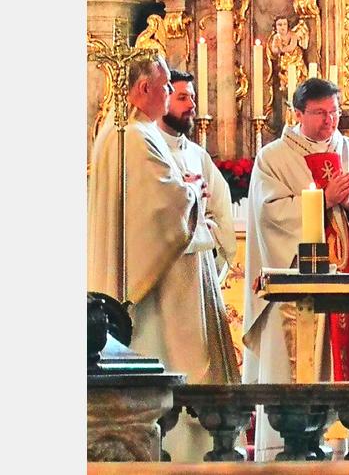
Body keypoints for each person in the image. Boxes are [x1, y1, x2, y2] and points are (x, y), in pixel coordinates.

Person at [87, 54, 239, 461]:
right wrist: (191, 193)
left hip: (147, 274)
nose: (172, 94)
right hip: (165, 287)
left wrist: (183, 189)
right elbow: (164, 207)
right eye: (166, 86)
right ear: (143, 91)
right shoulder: (136, 137)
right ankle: (185, 456)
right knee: (179, 362)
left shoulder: (115, 134)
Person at [241, 78, 349, 460]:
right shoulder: (274, 157)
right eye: (321, 113)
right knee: (297, 365)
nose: (330, 121)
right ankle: (290, 453)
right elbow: (268, 213)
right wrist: (323, 199)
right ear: (298, 114)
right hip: (297, 282)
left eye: (335, 112)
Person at [158, 69, 237, 279]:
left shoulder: (198, 155)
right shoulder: (150, 150)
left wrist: (209, 228)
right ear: (163, 99)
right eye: (182, 98)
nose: (191, 106)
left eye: (192, 98)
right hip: (164, 269)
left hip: (197, 268)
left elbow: (220, 206)